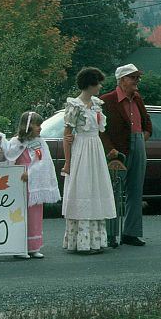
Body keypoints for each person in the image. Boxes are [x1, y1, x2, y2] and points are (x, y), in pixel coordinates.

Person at [61, 67, 117, 254]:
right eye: (98, 83)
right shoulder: (75, 106)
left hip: (95, 149)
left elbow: (100, 130)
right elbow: (67, 135)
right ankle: (82, 242)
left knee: (95, 188)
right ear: (89, 84)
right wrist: (68, 162)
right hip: (82, 150)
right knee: (83, 188)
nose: (100, 86)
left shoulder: (96, 104)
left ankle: (96, 241)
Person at [100, 63, 152, 247]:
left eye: (138, 77)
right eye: (133, 77)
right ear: (122, 80)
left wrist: (144, 135)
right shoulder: (107, 100)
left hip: (138, 144)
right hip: (117, 149)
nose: (137, 81)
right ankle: (110, 235)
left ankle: (131, 233)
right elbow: (101, 130)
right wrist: (110, 149)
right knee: (114, 190)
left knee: (136, 190)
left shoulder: (137, 98)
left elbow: (147, 122)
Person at [4, 111, 60, 259]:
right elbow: (9, 158)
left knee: (34, 214)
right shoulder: (16, 142)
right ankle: (19, 247)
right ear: (28, 126)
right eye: (37, 125)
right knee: (19, 214)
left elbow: (44, 162)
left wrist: (31, 172)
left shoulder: (40, 142)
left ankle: (33, 246)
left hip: (33, 183)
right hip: (20, 184)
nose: (40, 128)